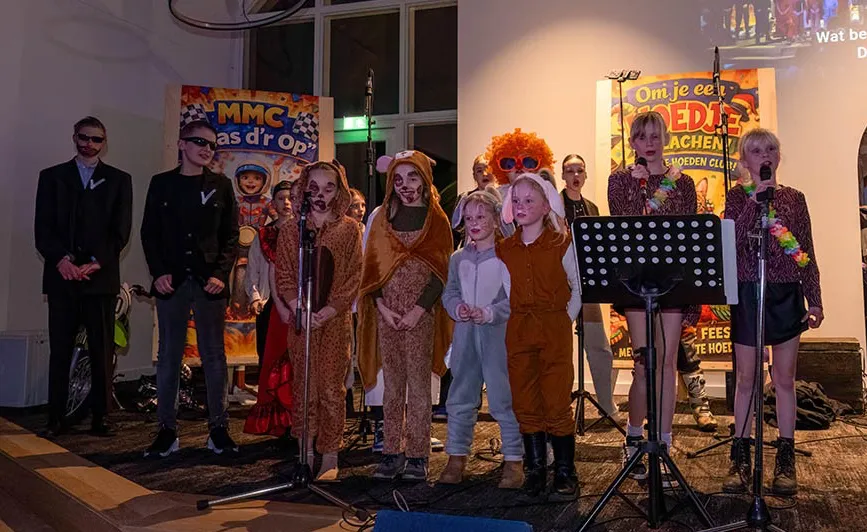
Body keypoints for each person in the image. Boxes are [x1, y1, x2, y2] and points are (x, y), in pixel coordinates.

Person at [722, 128, 823, 496]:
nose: (764, 155)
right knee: (746, 378)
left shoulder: (795, 199)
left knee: (784, 378)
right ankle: (740, 454)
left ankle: (785, 455)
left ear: (777, 157)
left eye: (770, 149)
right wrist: (756, 200)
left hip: (785, 295)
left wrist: (816, 298)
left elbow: (805, 251)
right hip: (749, 292)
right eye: (755, 151)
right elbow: (732, 241)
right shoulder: (736, 197)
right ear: (745, 161)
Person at [607, 111, 697, 485]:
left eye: (655, 135)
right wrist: (638, 188)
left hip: (673, 282)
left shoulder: (684, 182)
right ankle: (633, 438)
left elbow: (688, 230)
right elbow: (624, 221)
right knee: (644, 365)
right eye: (642, 136)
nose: (649, 142)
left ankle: (663, 444)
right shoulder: (620, 180)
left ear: (665, 138)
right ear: (632, 142)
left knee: (668, 364)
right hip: (637, 284)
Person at [141, 120, 240, 458]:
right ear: (182, 144)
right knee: (168, 356)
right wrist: (158, 274)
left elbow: (231, 237)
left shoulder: (222, 185)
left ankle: (218, 430)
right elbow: (149, 233)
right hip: (171, 282)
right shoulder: (161, 184)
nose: (206, 149)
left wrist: (220, 274)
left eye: (212, 145)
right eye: (199, 142)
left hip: (209, 283)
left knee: (214, 356)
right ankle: (167, 431)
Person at [357, 150, 454, 482]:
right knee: (392, 383)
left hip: (419, 314)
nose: (405, 185)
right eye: (398, 179)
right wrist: (382, 306)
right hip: (388, 313)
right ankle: (391, 452)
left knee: (418, 385)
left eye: (413, 177)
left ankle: (417, 455)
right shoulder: (384, 217)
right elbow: (372, 268)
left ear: (425, 180)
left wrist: (417, 310)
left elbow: (440, 272)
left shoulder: (435, 218)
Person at [35, 116, 133, 438]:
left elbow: (120, 232)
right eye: (84, 137)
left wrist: (96, 263)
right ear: (74, 137)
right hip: (61, 277)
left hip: (99, 279)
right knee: (60, 350)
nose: (89, 143)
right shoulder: (51, 178)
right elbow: (42, 229)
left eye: (96, 139)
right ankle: (55, 418)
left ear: (104, 143)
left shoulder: (120, 180)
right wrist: (61, 260)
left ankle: (101, 417)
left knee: (102, 350)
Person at [274, 160, 363, 481]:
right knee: (304, 389)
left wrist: (330, 310)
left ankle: (329, 454)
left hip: (334, 323)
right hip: (302, 322)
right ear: (304, 189)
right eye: (315, 188)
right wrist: (298, 306)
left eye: (329, 187)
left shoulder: (349, 229)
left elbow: (353, 275)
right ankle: (305, 452)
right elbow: (283, 272)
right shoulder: (291, 229)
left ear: (339, 190)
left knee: (330, 389)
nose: (322, 194)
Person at [497, 172, 581, 499]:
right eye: (516, 200)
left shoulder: (563, 243)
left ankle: (564, 469)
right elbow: (508, 290)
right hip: (519, 330)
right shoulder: (506, 248)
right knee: (524, 398)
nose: (521, 206)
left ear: (546, 206)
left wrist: (563, 320)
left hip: (554, 328)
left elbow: (578, 289)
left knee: (557, 399)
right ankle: (535, 469)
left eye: (529, 200)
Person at [439, 187, 523, 489]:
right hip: (465, 336)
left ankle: (514, 458)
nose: (474, 223)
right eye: (469, 217)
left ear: (496, 219)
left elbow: (512, 299)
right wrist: (456, 308)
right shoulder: (458, 258)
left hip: (497, 337)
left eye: (481, 216)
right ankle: (456, 456)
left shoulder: (506, 255)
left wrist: (489, 314)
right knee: (460, 394)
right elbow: (449, 292)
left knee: (503, 396)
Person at [560, 154, 618, 418]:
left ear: (585, 175)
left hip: (586, 284)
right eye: (569, 170)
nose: (575, 175)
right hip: (560, 286)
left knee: (599, 345)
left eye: (579, 170)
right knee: (558, 347)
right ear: (562, 175)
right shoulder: (554, 206)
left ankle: (606, 403)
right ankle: (559, 405)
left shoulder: (592, 208)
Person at [243, 180, 294, 439]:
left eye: (290, 198)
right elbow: (252, 269)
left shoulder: (306, 232)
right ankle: (276, 422)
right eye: (281, 198)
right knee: (270, 362)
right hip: (270, 305)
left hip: (296, 304)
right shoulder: (264, 235)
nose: (286, 203)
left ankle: (296, 420)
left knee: (295, 364)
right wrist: (254, 296)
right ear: (272, 203)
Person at [451, 154, 495, 248]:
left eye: (488, 169)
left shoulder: (503, 198)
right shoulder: (465, 198)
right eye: (479, 171)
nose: (484, 174)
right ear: (474, 176)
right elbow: (455, 232)